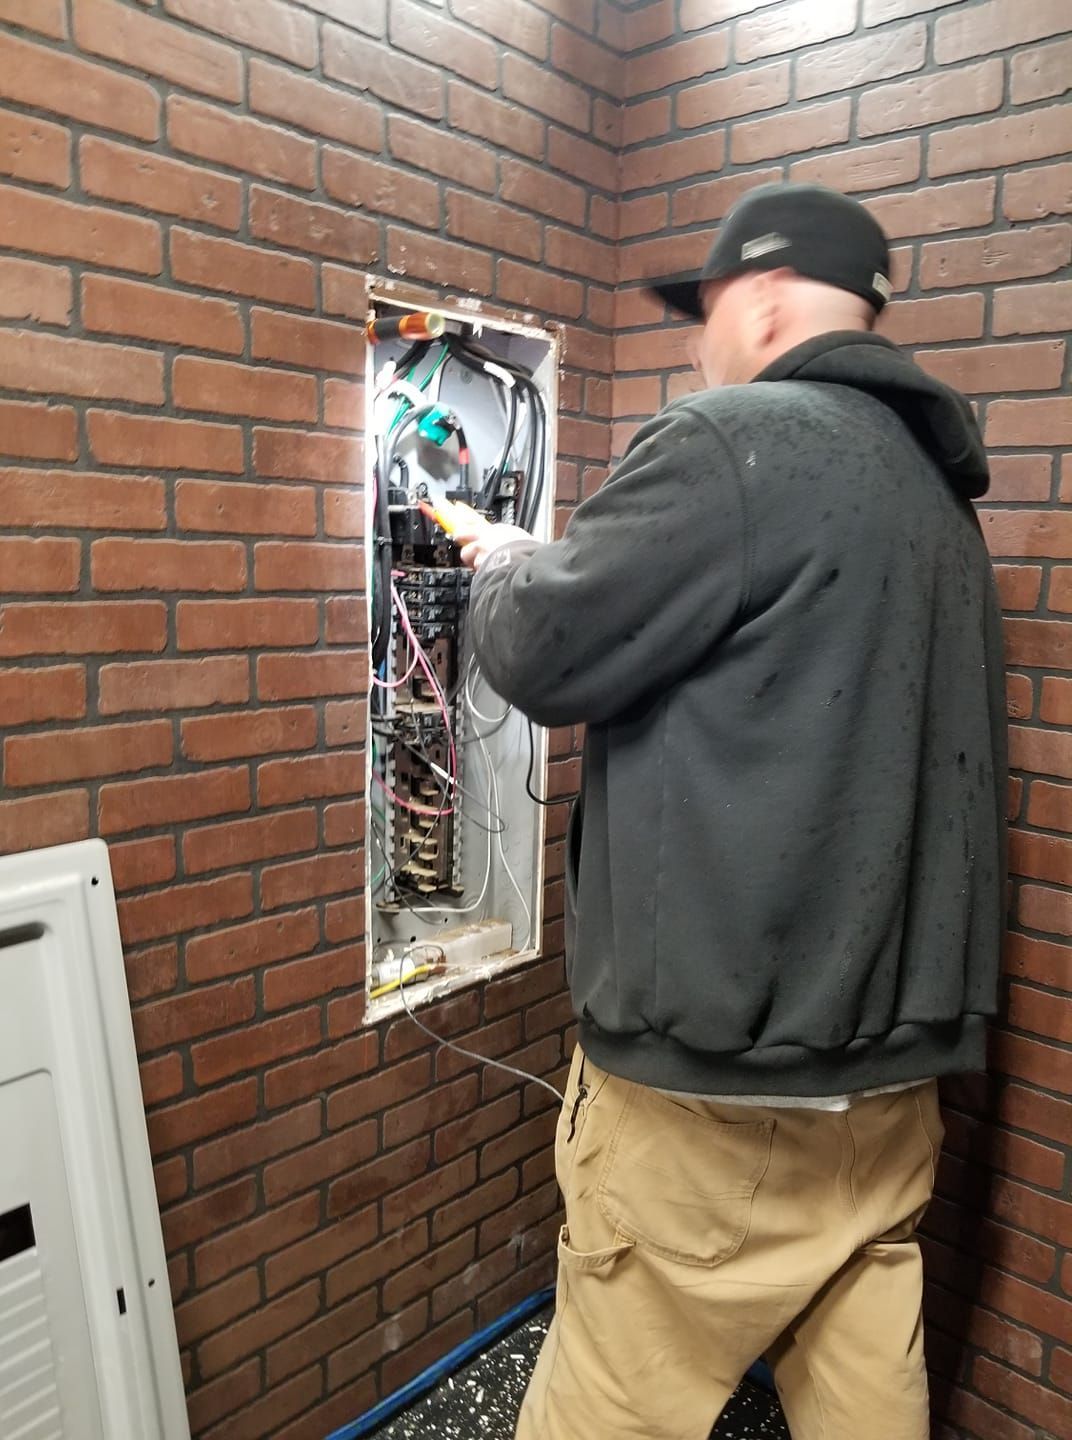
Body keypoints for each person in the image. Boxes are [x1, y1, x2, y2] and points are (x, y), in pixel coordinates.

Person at [453, 183, 1008, 1440]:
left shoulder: (733, 442)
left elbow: (542, 651)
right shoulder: (936, 497)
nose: (696, 346)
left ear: (756, 302)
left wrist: (498, 566)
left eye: (699, 316)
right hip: (888, 1088)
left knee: (609, 1398)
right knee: (863, 1382)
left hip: (716, 1100)